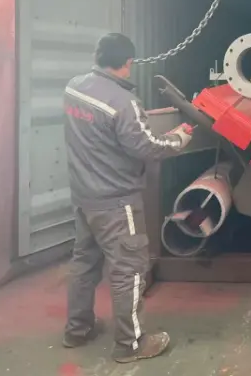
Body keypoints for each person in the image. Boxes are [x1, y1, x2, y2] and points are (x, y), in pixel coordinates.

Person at [62, 32, 193, 363]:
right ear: (129, 62)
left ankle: (77, 329)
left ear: (98, 56)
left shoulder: (73, 88)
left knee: (84, 263)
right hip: (117, 202)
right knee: (129, 270)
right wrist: (178, 138)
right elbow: (146, 147)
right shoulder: (124, 103)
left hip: (84, 197)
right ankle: (131, 344)